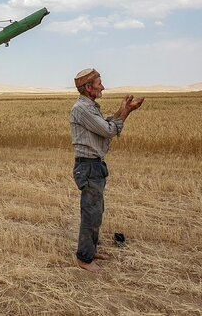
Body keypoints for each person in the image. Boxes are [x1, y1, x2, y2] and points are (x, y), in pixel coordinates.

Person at [69, 68, 144, 273]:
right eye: (99, 83)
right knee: (90, 212)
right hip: (88, 166)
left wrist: (123, 111)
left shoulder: (90, 107)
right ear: (88, 87)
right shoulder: (82, 109)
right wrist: (126, 112)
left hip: (95, 165)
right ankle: (84, 259)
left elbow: (106, 124)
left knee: (96, 211)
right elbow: (109, 130)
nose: (102, 86)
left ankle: (90, 251)